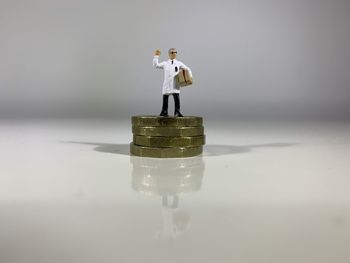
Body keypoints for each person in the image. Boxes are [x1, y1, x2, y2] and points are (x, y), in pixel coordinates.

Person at [153, 48, 193, 117]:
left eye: (175, 52)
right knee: (165, 98)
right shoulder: (165, 63)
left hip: (175, 84)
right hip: (167, 84)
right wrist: (156, 56)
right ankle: (164, 111)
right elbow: (156, 65)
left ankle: (177, 112)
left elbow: (187, 68)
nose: (174, 53)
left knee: (176, 97)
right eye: (172, 52)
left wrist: (190, 76)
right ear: (169, 54)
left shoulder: (178, 63)